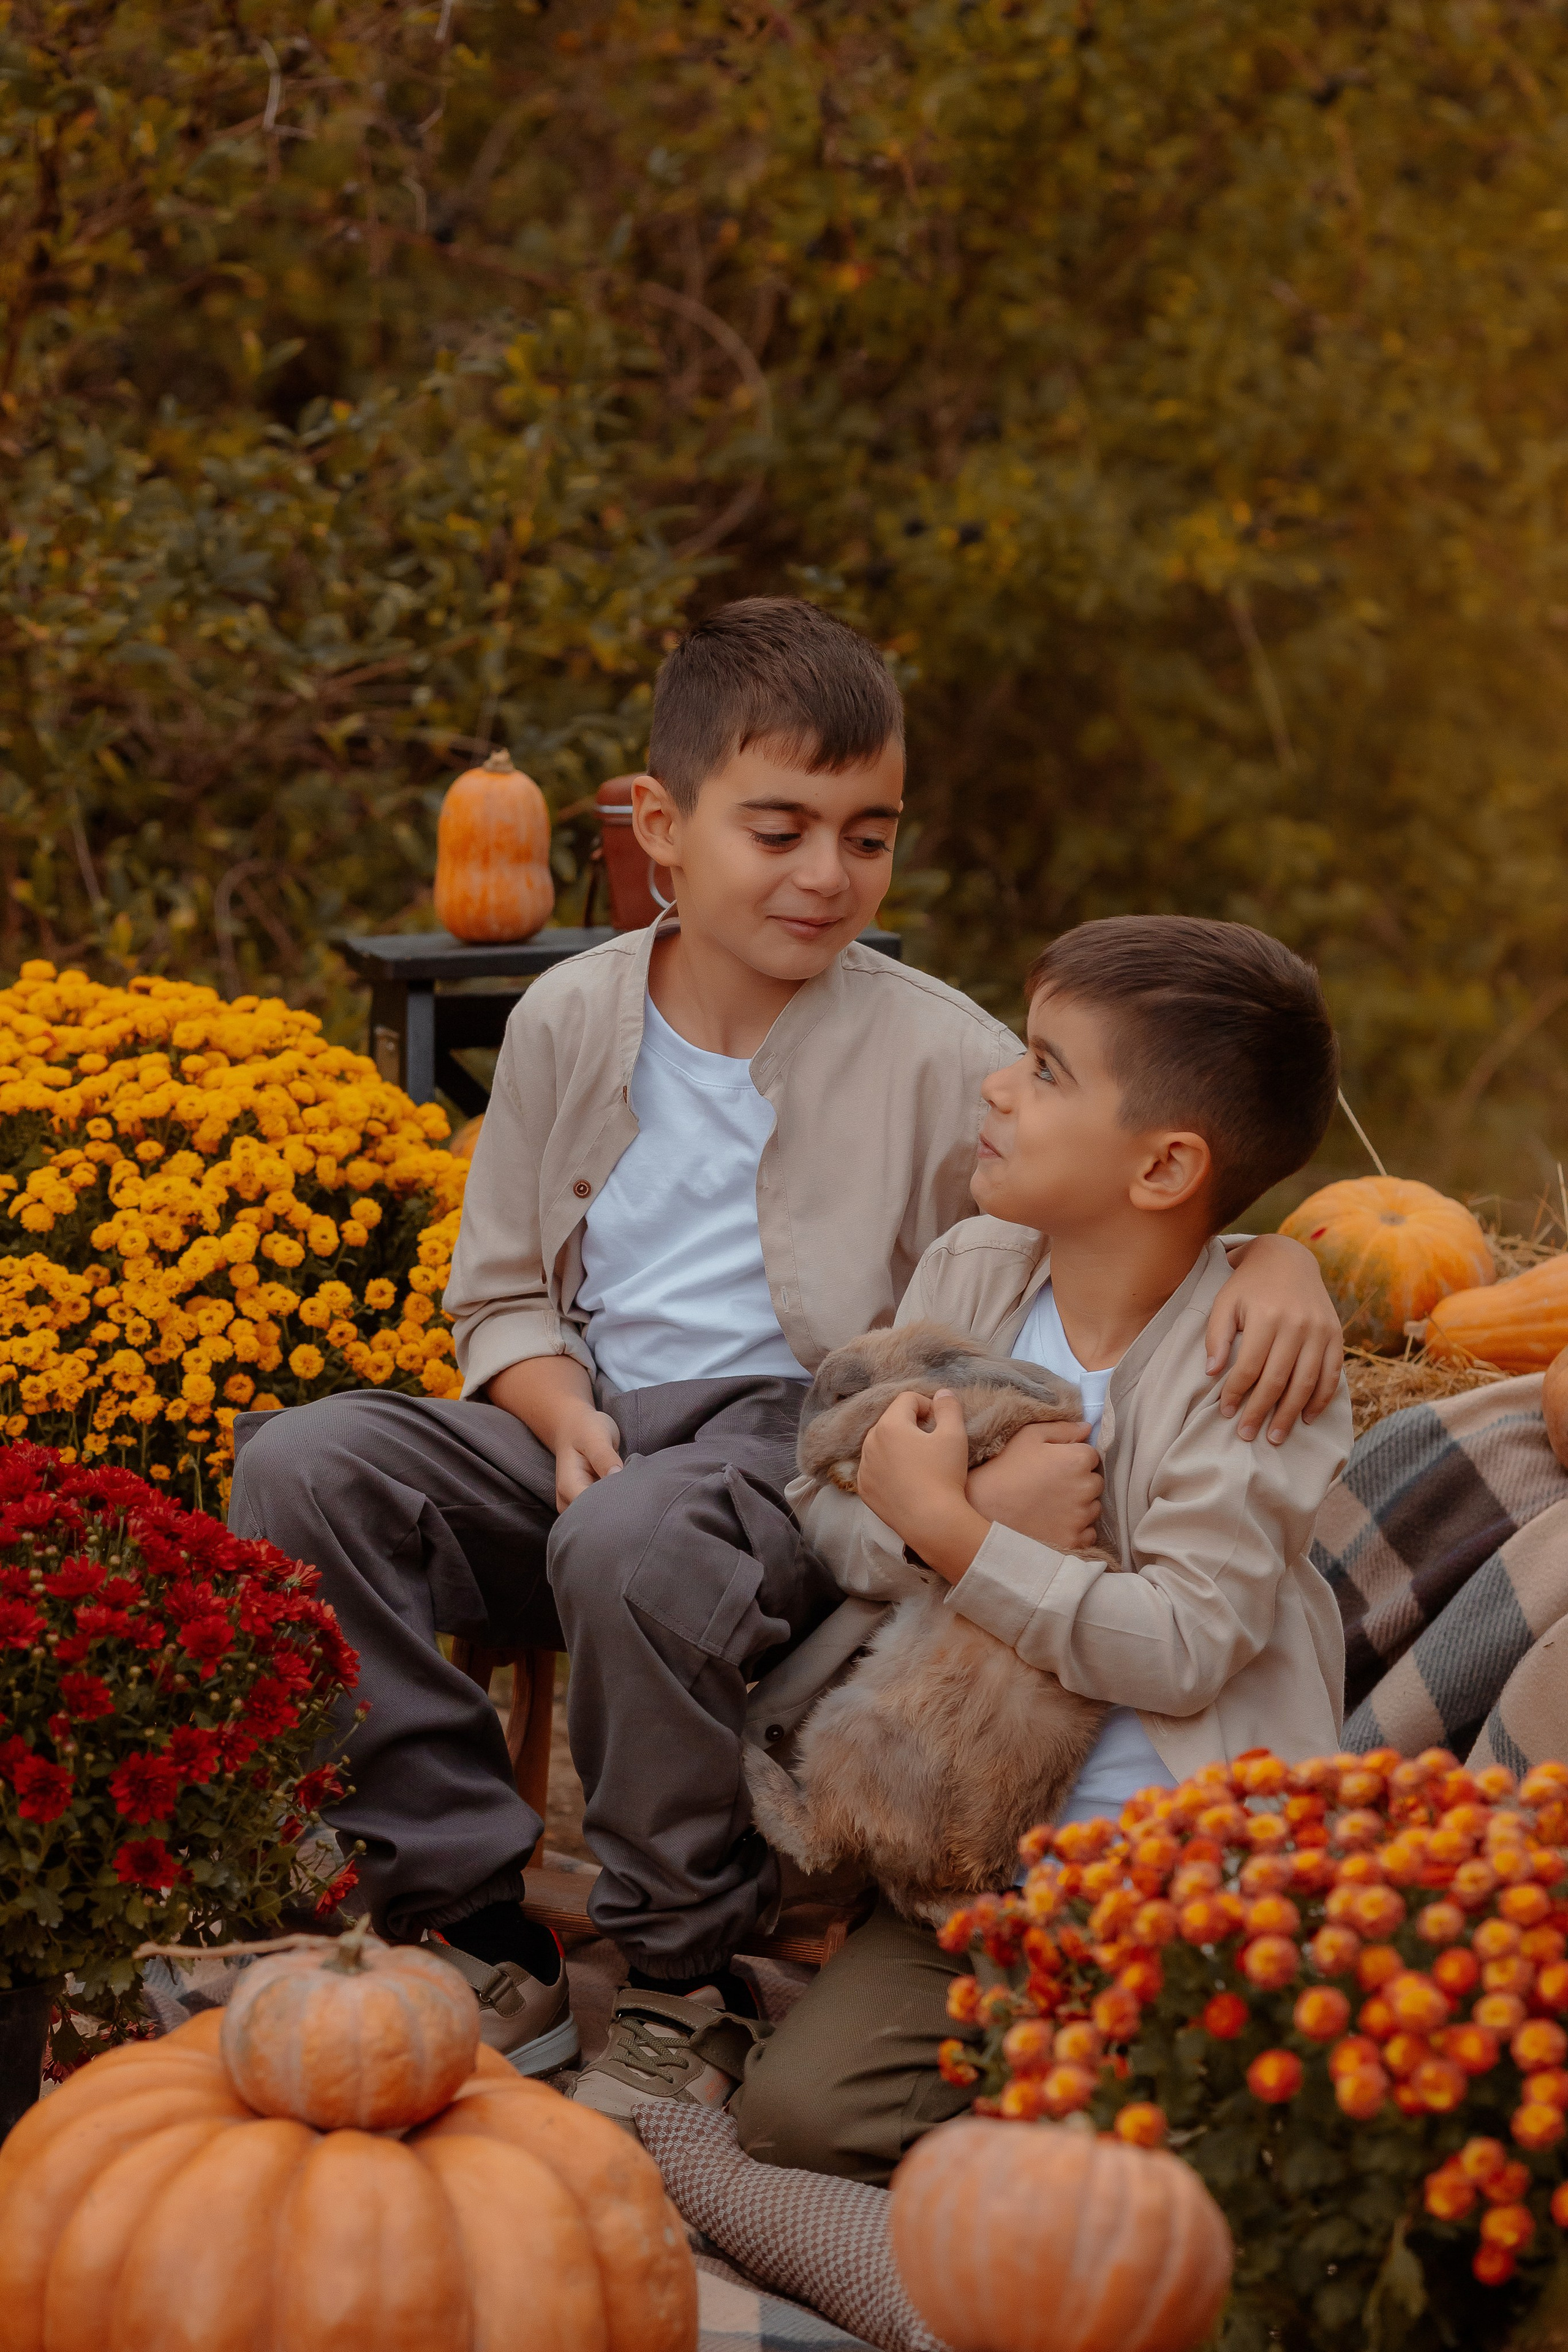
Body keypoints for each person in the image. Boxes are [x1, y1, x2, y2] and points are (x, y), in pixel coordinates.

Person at [227, 603, 1343, 2092]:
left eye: (866, 835)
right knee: (305, 1465)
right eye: (779, 829)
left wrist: (1281, 1259)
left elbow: (1139, 1189)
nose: (828, 875)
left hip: (801, 1446)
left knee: (636, 1538)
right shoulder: (567, 1019)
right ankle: (464, 1918)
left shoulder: (945, 1054)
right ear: (660, 827)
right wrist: (554, 1407)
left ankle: (688, 1959)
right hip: (592, 1419)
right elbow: (497, 1299)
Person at [723, 913, 1353, 2180]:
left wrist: (964, 1535)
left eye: (1047, 1069)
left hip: (1182, 1879)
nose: (996, 1086)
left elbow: (1181, 1646)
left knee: (1219, 2155)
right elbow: (829, 1498)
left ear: (1165, 1168)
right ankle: (1071, 2085)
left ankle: (1117, 2100)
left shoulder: (1249, 1361)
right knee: (793, 2117)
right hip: (971, 1871)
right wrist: (926, 1527)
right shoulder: (971, 1269)